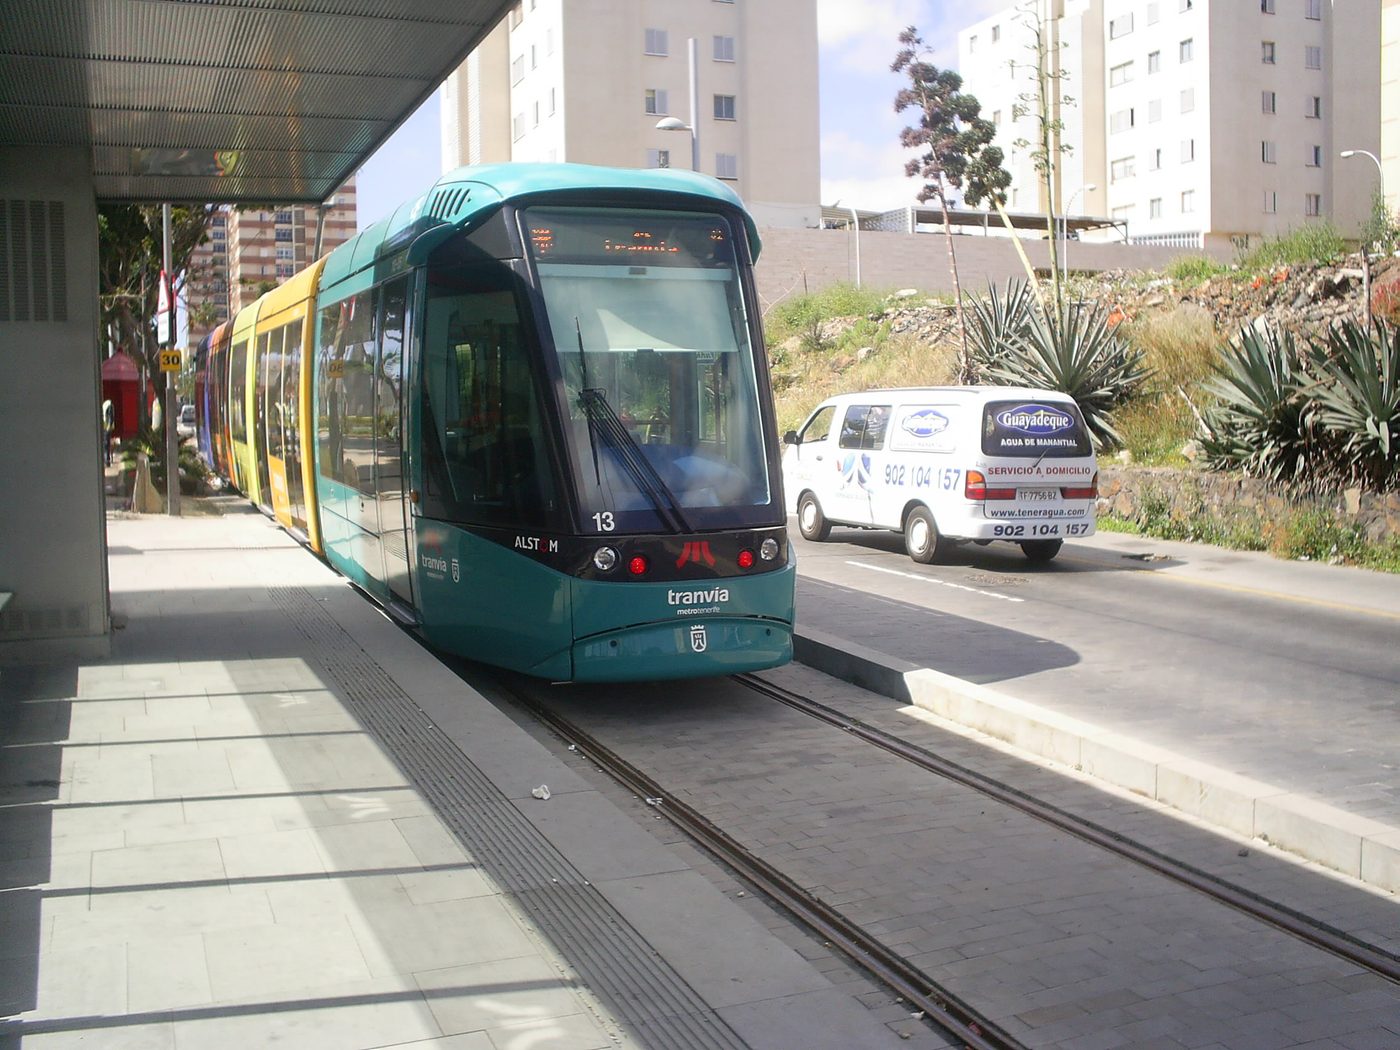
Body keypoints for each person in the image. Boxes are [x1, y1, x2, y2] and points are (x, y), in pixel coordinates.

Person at [101, 399, 114, 465]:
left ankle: (107, 460)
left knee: (106, 444)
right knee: (106, 444)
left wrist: (108, 427)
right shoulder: (106, 404)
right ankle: (107, 460)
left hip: (106, 428)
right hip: (105, 428)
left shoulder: (107, 404)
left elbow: (110, 417)